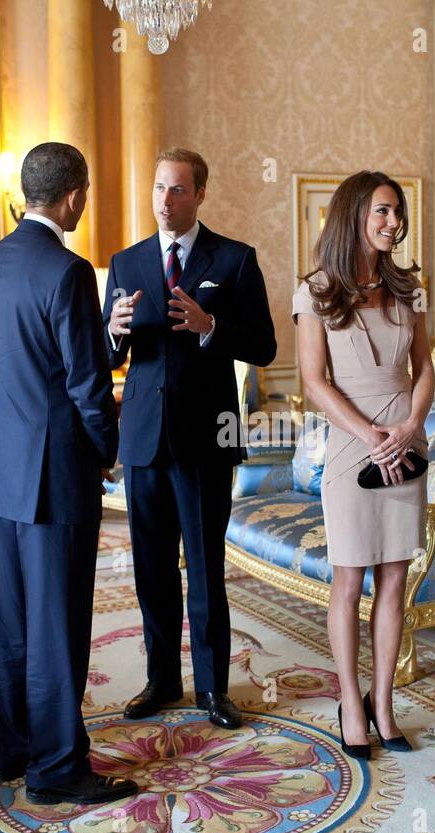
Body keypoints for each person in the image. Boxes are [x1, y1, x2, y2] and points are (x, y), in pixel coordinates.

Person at [0, 142, 137, 806]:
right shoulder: (68, 272)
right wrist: (107, 449)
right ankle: (58, 770)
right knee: (58, 626)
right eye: (87, 193)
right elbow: (87, 386)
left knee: (10, 621)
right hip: (56, 476)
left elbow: (19, 365)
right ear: (73, 197)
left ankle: (12, 751)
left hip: (1, 475)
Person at [104, 147, 276, 730]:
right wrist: (113, 332)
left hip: (206, 440)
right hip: (144, 443)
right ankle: (160, 681)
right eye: (158, 188)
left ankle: (212, 690)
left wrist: (212, 328)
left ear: (200, 194)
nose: (165, 201)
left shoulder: (233, 259)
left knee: (203, 569)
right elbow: (111, 354)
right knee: (151, 568)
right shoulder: (124, 263)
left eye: (177, 190)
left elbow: (265, 346)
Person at [293, 171, 431, 760]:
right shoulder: (315, 290)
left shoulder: (410, 289)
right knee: (350, 579)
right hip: (353, 443)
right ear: (354, 214)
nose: (392, 222)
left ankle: (384, 703)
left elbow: (425, 369)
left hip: (405, 436)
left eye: (397, 211)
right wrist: (369, 434)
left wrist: (406, 427)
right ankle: (351, 701)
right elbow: (313, 382)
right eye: (381, 211)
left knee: (396, 576)